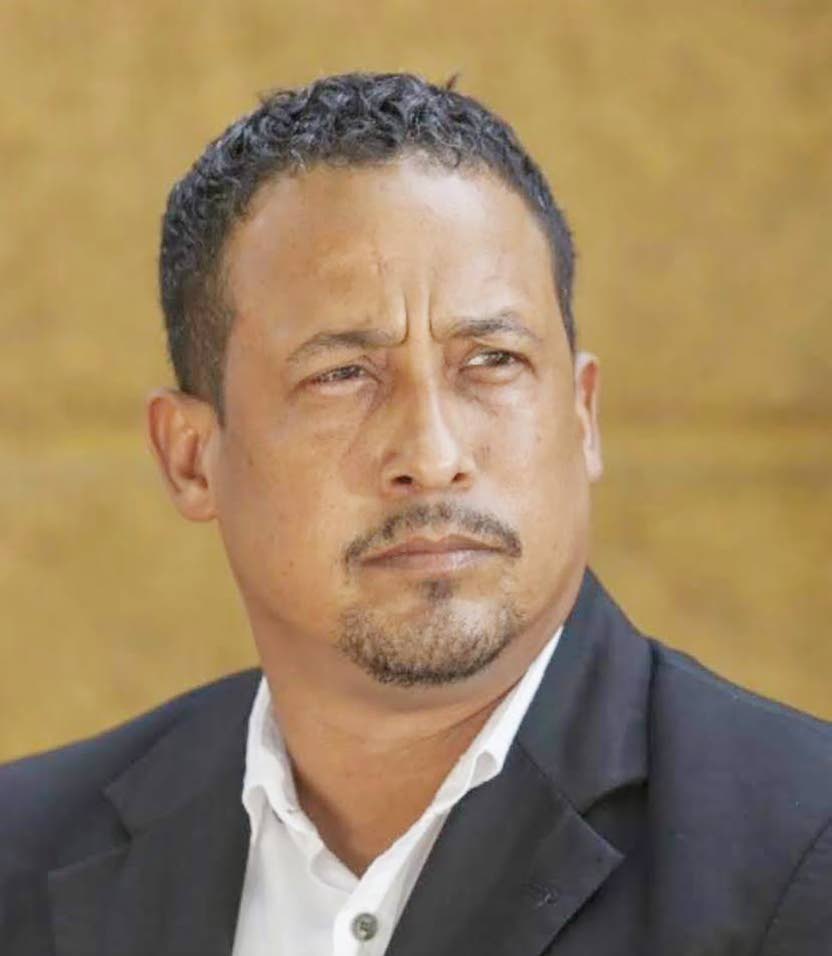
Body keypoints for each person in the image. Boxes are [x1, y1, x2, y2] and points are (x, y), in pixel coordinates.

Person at [1, 71, 830, 956]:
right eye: (341, 375)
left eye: (493, 360)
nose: (433, 456)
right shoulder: (22, 855)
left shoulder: (802, 857)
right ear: (190, 457)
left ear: (582, 416)